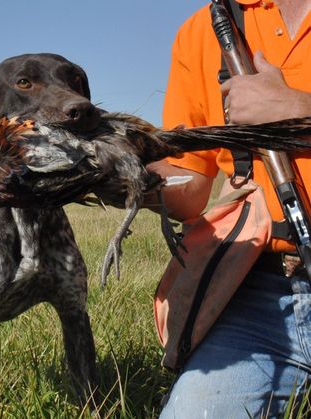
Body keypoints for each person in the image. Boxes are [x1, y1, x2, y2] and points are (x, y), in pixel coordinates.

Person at [146, 1, 311, 417]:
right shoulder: (201, 31)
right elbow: (190, 185)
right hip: (262, 296)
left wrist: (299, 112)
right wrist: (118, 172)